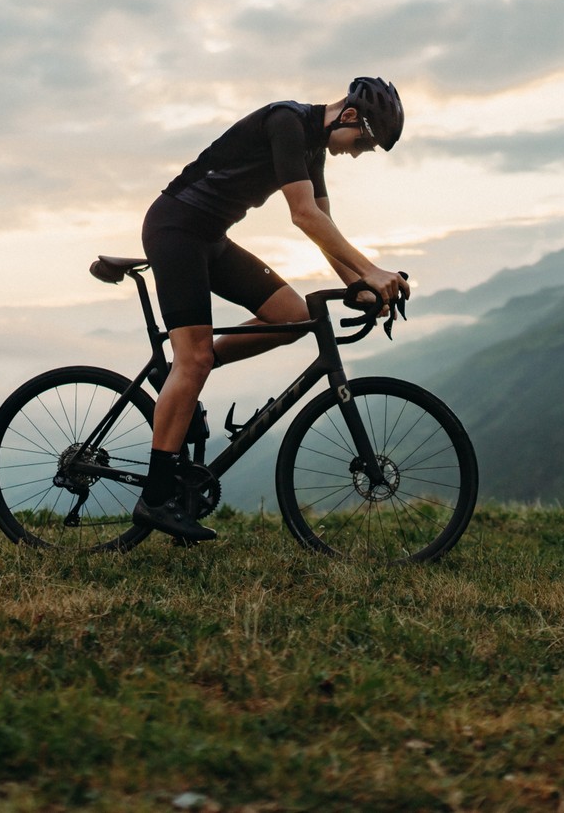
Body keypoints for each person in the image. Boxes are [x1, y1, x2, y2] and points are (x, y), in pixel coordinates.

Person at [134, 76, 409, 542]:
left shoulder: (313, 146)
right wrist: (372, 270)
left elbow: (323, 224)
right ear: (348, 116)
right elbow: (302, 214)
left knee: (292, 317)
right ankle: (156, 498)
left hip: (210, 238)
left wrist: (360, 284)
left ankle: (182, 375)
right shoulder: (287, 122)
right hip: (175, 229)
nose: (359, 153)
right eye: (364, 142)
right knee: (192, 358)